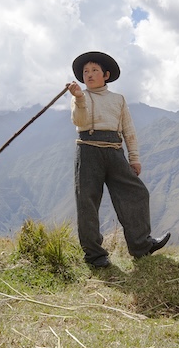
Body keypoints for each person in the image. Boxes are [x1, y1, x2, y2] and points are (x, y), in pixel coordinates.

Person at [67, 51, 170, 268]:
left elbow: (128, 130)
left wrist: (134, 158)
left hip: (115, 151)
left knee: (137, 192)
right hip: (88, 150)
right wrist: (79, 98)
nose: (89, 74)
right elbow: (79, 121)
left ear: (106, 75)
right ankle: (95, 255)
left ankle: (141, 245)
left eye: (94, 70)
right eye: (85, 72)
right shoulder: (79, 97)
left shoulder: (118, 99)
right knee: (87, 201)